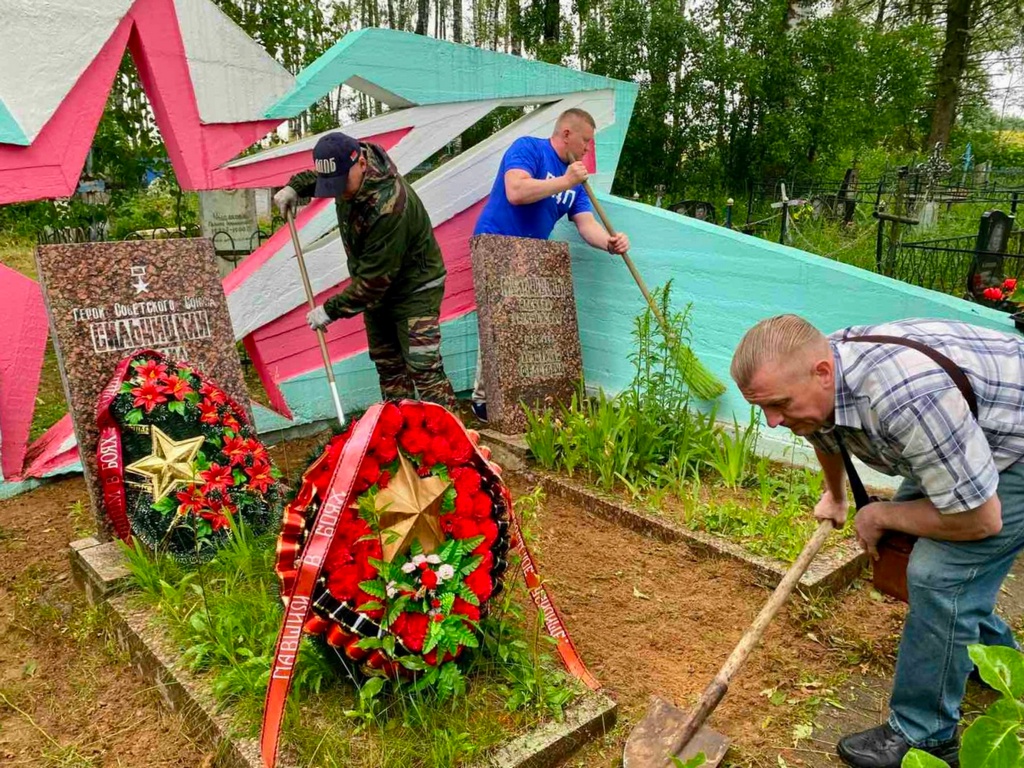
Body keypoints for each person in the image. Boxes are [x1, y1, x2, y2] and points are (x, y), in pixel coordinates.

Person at [731, 315, 1024, 768]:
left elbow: (980, 521)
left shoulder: (907, 398)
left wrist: (881, 512)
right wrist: (836, 494)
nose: (772, 422)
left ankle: (926, 737)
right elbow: (819, 429)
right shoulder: (821, 381)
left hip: (1016, 448)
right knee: (912, 556)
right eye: (763, 409)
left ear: (823, 373)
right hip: (969, 437)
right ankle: (997, 664)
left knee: (938, 577)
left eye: (780, 405)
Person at [468, 107, 631, 421]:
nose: (587, 148)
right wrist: (564, 181)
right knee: (498, 321)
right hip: (496, 241)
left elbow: (585, 224)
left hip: (534, 252)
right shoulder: (529, 148)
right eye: (585, 140)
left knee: (526, 327)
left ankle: (521, 397)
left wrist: (609, 244)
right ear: (566, 134)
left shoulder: (577, 180)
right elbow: (515, 191)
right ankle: (483, 400)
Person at [274, 132, 456, 408]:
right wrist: (294, 187)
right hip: (376, 289)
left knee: (423, 367)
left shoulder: (388, 205)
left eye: (340, 183)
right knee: (388, 366)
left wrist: (329, 311)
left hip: (414, 287)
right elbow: (323, 177)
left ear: (360, 163)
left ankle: (452, 443)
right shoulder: (346, 172)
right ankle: (403, 436)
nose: (337, 190)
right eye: (331, 184)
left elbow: (373, 282)